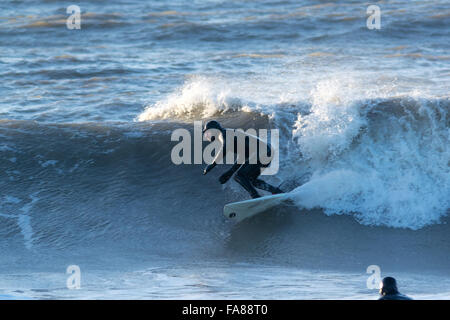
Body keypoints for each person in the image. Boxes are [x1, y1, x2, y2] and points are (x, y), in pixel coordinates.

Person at [202, 120, 283, 199]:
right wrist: (230, 172)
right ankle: (276, 191)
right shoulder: (228, 134)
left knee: (239, 176)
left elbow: (225, 148)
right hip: (267, 151)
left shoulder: (223, 134)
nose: (206, 135)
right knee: (251, 180)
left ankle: (255, 197)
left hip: (262, 152)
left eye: (207, 132)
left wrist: (211, 165)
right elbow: (243, 155)